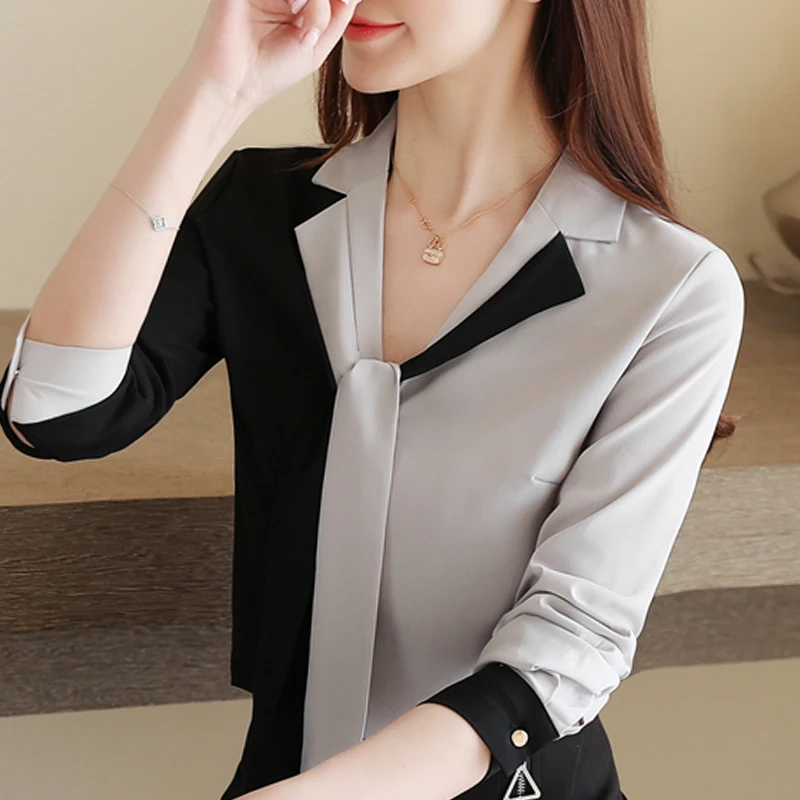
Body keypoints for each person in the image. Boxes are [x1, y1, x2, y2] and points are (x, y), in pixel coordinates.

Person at [0, 1, 745, 799]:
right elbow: (55, 413)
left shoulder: (670, 288)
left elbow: (567, 648)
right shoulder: (262, 209)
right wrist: (212, 92)